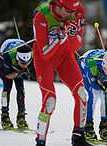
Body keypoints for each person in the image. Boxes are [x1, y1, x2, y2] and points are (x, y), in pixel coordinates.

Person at [32, 0, 90, 146]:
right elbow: (45, 53)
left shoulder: (77, 12)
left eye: (74, 12)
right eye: (69, 12)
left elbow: (75, 46)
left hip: (64, 55)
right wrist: (60, 36)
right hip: (44, 59)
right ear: (58, 6)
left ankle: (78, 137)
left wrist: (72, 35)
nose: (72, 15)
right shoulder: (42, 16)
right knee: (50, 101)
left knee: (82, 94)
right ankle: (40, 141)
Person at [78, 48, 107, 141]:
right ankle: (88, 127)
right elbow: (95, 85)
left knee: (104, 96)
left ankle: (104, 127)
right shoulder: (91, 65)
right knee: (93, 95)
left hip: (99, 63)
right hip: (86, 63)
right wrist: (101, 82)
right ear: (103, 67)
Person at [0, 38, 33, 130]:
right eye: (22, 63)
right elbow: (8, 75)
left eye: (27, 63)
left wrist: (23, 72)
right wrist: (19, 73)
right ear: (17, 57)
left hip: (17, 53)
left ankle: (21, 118)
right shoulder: (8, 56)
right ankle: (5, 117)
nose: (25, 65)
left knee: (20, 89)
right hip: (2, 57)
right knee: (8, 87)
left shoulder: (31, 55)